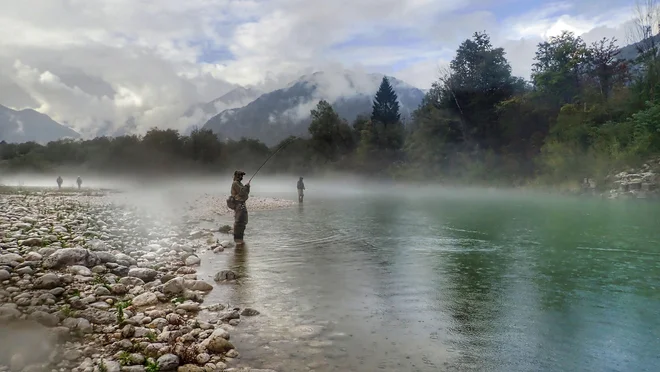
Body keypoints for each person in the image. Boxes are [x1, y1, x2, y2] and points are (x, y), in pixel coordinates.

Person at [230, 170, 250, 246]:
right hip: (239, 204)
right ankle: (238, 240)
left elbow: (245, 193)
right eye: (240, 175)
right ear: (237, 176)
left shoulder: (239, 183)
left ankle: (240, 239)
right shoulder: (235, 183)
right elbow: (242, 192)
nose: (242, 177)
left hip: (241, 204)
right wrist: (247, 186)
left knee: (243, 221)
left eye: (242, 175)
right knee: (239, 221)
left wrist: (247, 187)